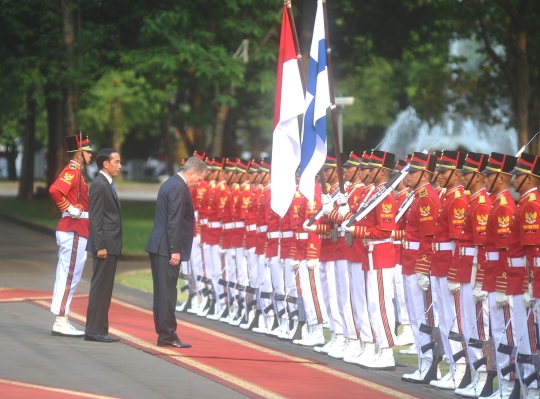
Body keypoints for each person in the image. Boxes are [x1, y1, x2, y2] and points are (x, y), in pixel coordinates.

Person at [146, 156, 207, 348]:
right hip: (167, 248)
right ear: (191, 173)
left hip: (160, 245)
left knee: (162, 292)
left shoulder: (170, 183)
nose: (199, 184)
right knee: (167, 293)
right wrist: (175, 250)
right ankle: (167, 334)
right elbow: (174, 221)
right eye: (199, 179)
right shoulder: (178, 188)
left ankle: (165, 332)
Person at [49, 134, 93, 337]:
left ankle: (62, 318)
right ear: (79, 153)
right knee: (69, 277)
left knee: (69, 276)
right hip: (74, 228)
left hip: (77, 228)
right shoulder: (73, 170)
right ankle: (61, 320)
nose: (91, 155)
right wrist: (69, 208)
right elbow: (55, 190)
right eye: (87, 151)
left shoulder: (79, 172)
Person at [84, 148, 123, 343]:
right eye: (116, 162)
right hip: (104, 245)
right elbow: (96, 218)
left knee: (105, 289)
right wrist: (100, 245)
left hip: (110, 244)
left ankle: (100, 329)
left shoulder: (106, 183)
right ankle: (93, 330)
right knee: (100, 287)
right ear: (105, 164)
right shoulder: (99, 185)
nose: (119, 165)